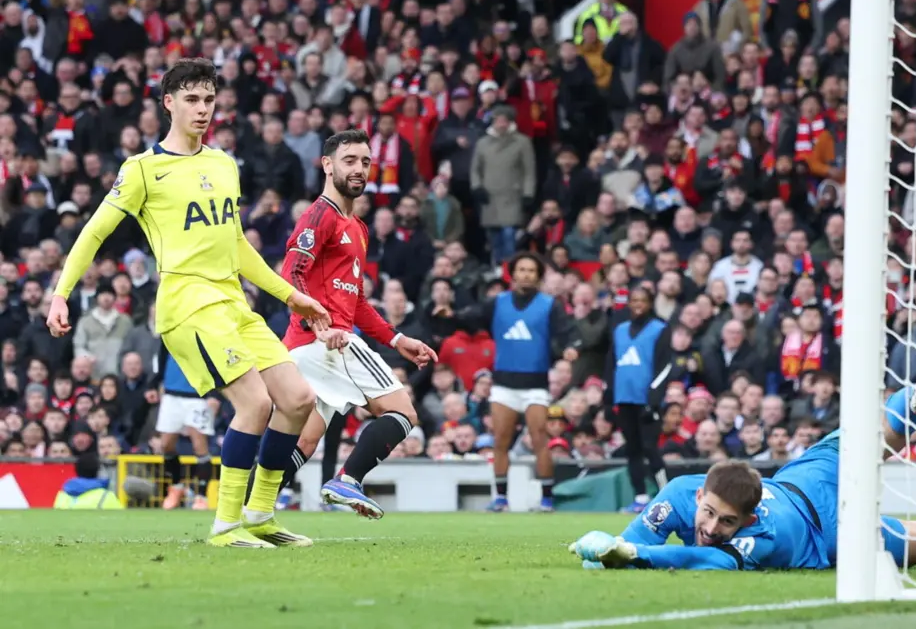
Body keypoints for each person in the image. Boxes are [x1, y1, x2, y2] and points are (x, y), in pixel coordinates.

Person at [47, 59, 331, 549]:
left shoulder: (224, 164)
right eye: (193, 100)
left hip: (232, 302)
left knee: (299, 401)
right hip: (186, 303)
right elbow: (94, 232)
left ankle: (261, 513)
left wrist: (292, 295)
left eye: (209, 99)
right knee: (255, 403)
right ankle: (225, 525)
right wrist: (61, 293)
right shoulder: (143, 170)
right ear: (169, 104)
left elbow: (238, 245)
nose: (203, 109)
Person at [570, 350, 916, 571]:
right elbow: (625, 540)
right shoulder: (681, 496)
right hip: (815, 500)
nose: (711, 528)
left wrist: (633, 556)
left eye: (725, 522)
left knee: (895, 470)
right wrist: (615, 547)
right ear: (698, 495)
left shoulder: (751, 538)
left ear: (745, 519)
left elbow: (702, 562)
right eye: (710, 515)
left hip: (818, 513)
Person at [278, 129, 439, 519]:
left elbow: (358, 300)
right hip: (326, 344)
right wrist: (320, 324)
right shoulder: (320, 215)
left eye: (366, 162)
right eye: (350, 160)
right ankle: (347, 481)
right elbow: (291, 274)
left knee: (305, 441)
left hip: (314, 344)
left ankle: (249, 508)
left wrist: (397, 338)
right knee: (403, 413)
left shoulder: (358, 228)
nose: (359, 169)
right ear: (327, 165)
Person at [461, 251, 580, 511]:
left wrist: (571, 347)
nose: (526, 274)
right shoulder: (497, 302)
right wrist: (447, 314)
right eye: (521, 270)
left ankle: (547, 498)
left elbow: (568, 332)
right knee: (501, 440)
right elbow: (470, 318)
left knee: (540, 439)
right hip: (503, 384)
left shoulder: (550, 305)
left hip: (536, 385)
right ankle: (501, 498)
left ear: (538, 277)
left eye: (531, 271)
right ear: (513, 274)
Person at [605, 287, 672, 514]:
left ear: (650, 303)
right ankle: (640, 497)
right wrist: (608, 398)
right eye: (634, 300)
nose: (638, 304)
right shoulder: (620, 330)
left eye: (642, 300)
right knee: (632, 449)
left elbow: (665, 366)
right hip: (624, 399)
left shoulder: (659, 329)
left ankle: (666, 496)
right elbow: (611, 364)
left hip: (646, 400)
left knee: (650, 448)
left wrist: (653, 399)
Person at [157, 346, 218, 511]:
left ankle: (201, 497)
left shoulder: (203, 328)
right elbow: (162, 355)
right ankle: (176, 487)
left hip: (198, 396)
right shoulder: (169, 328)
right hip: (171, 394)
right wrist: (155, 382)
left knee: (199, 445)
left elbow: (214, 359)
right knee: (165, 445)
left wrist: (215, 394)